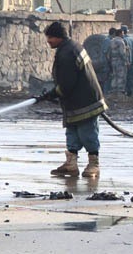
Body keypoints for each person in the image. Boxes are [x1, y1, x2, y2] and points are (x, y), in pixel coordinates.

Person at [37, 21, 108, 178]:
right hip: (75, 101)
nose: (48, 41)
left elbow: (67, 83)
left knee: (87, 132)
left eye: (50, 37)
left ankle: (93, 165)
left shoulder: (67, 53)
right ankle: (71, 165)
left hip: (86, 101)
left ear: (58, 37)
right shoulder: (70, 47)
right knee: (72, 131)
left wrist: (52, 94)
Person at [106, 29, 129, 96]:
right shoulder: (121, 42)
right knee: (121, 76)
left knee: (114, 76)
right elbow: (122, 53)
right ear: (120, 34)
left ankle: (113, 91)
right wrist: (126, 61)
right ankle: (120, 91)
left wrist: (110, 61)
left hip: (113, 61)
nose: (123, 34)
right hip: (120, 62)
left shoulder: (111, 41)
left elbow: (108, 53)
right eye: (122, 33)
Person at [121, 25, 133, 96]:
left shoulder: (123, 40)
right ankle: (131, 92)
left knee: (124, 78)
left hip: (126, 62)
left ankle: (125, 92)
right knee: (131, 77)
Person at [100, 27, 117, 93]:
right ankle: (106, 93)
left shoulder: (107, 40)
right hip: (106, 62)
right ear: (113, 33)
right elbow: (107, 53)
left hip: (105, 61)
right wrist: (110, 63)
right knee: (107, 78)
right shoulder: (108, 41)